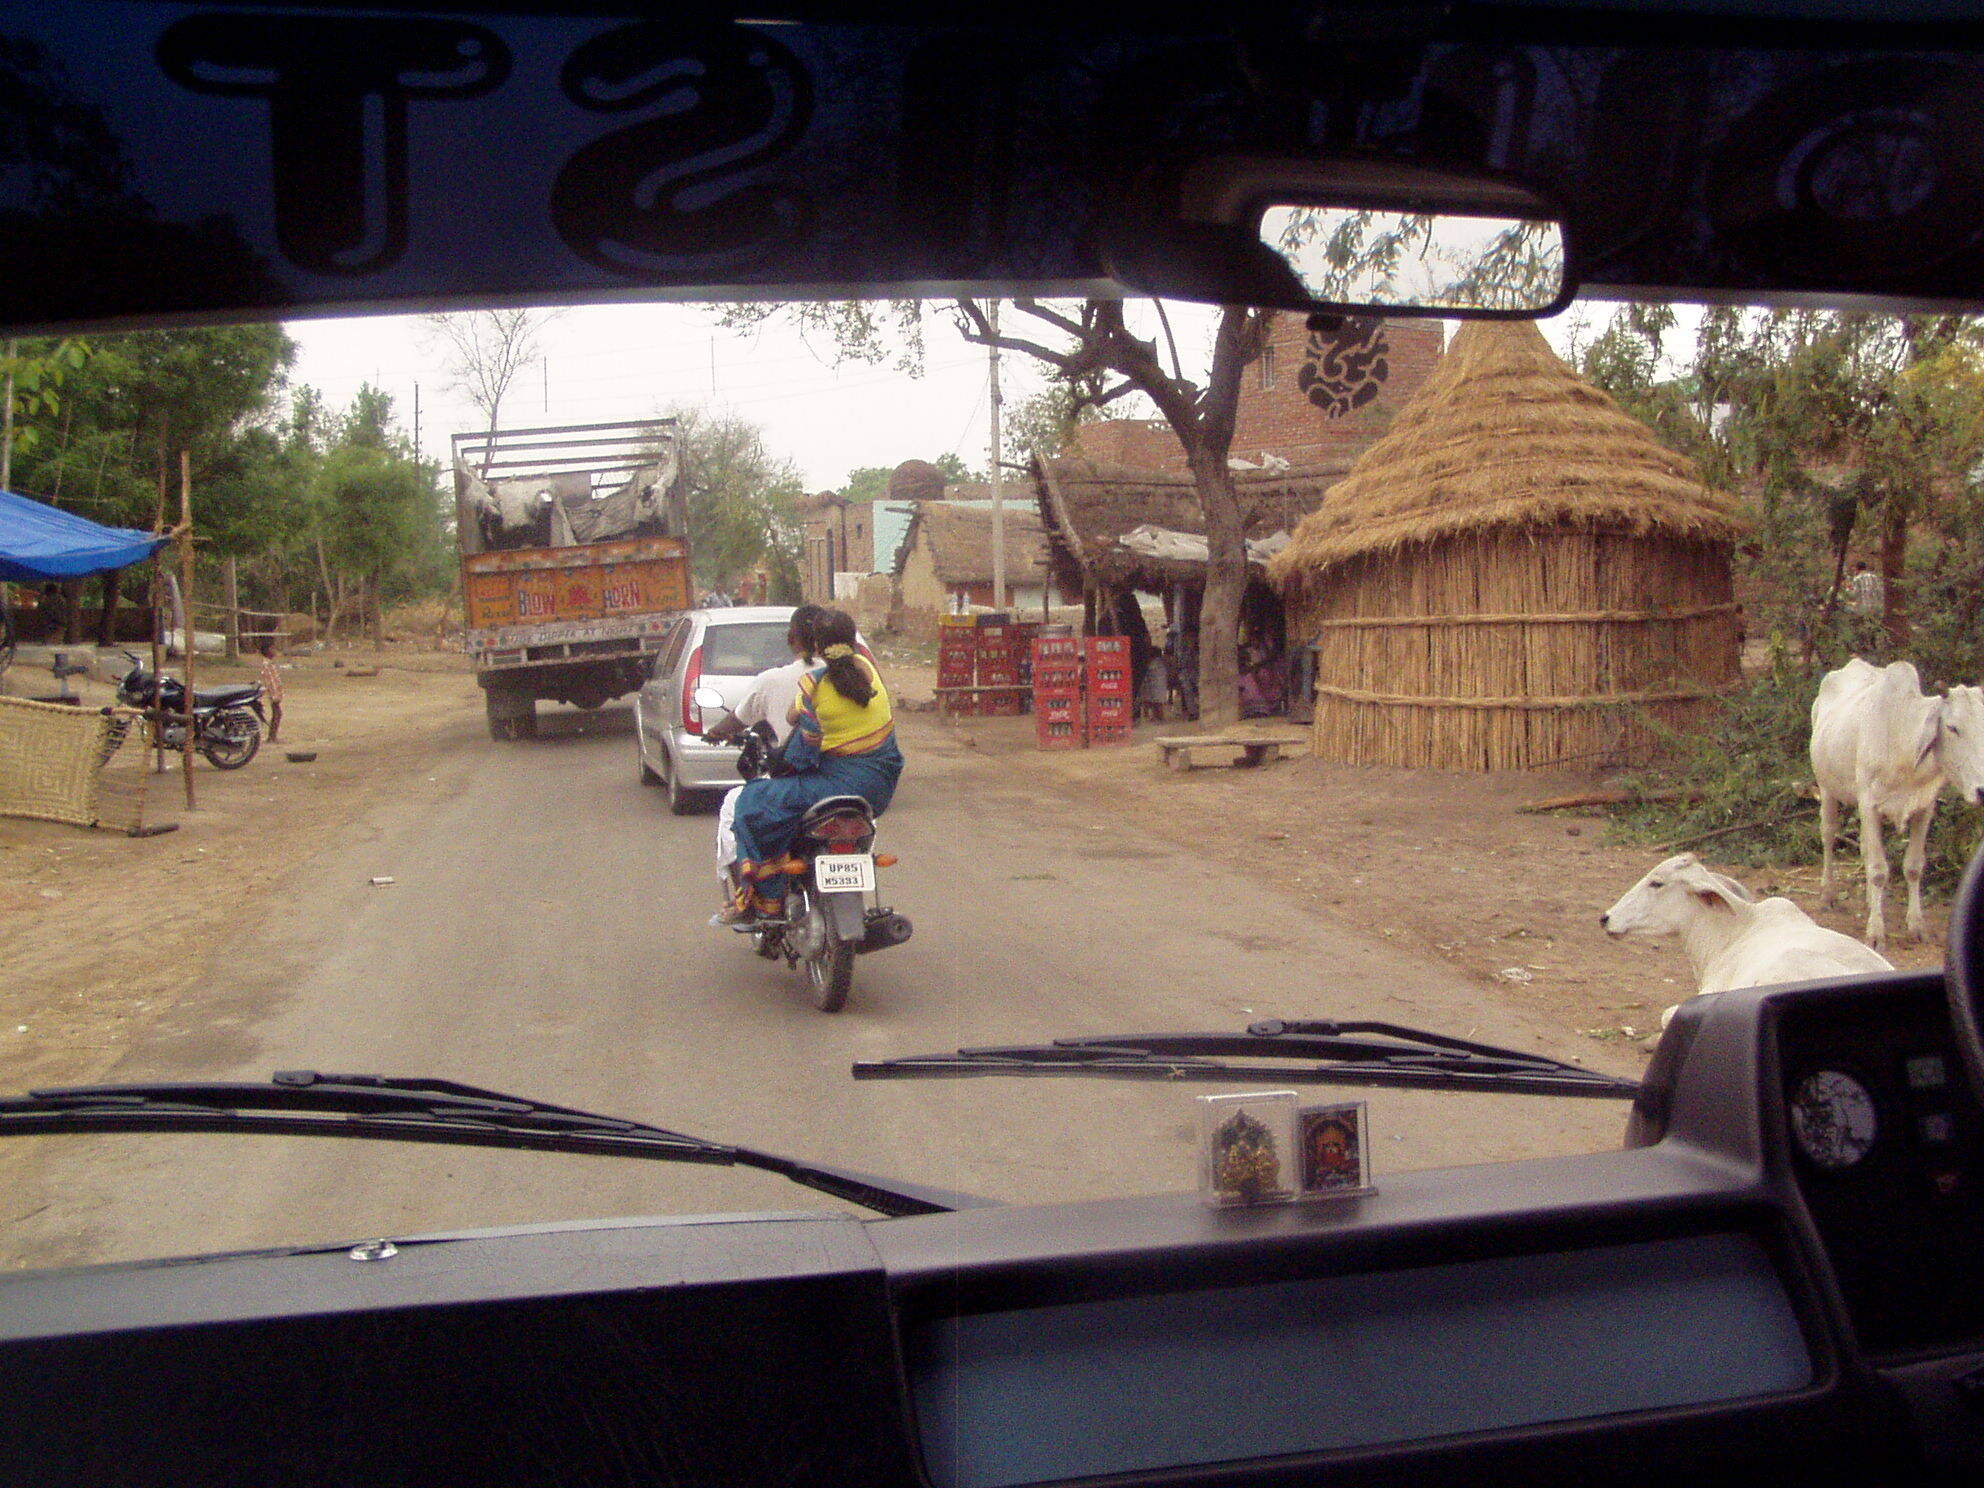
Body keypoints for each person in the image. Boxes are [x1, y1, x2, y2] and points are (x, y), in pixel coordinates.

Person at [720, 608, 904, 923]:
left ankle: (765, 900)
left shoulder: (812, 685)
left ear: (814, 647)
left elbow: (800, 744)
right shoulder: (870, 674)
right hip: (878, 793)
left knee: (750, 802)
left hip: (832, 786)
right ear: (855, 643)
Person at [705, 604, 828, 901]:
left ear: (791, 639)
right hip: (847, 781)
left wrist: (715, 733)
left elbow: (737, 718)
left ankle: (746, 898)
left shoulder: (772, 680)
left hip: (793, 785)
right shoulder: (851, 676)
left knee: (733, 808)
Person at [254, 637, 285, 743]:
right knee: (277, 713)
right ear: (267, 651)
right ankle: (272, 737)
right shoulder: (267, 665)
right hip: (273, 693)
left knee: (277, 713)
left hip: (275, 692)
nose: (275, 651)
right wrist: (275, 694)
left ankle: (272, 736)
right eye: (273, 649)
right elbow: (270, 681)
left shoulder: (269, 663)